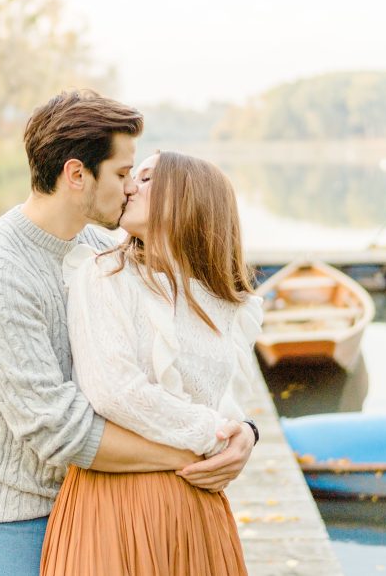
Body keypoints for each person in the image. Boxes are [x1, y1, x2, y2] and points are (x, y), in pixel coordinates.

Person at [0, 90, 258, 575]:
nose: (131, 187)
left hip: (102, 503)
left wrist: (244, 434)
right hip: (13, 523)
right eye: (122, 174)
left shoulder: (101, 246)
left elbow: (188, 355)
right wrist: (203, 450)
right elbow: (58, 429)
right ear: (76, 175)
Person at [41, 150, 264, 576]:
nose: (129, 186)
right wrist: (214, 437)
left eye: (146, 179)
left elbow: (230, 401)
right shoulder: (103, 274)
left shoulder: (227, 302)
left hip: (198, 502)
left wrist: (245, 435)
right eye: (131, 175)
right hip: (117, 500)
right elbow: (114, 391)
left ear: (187, 196)